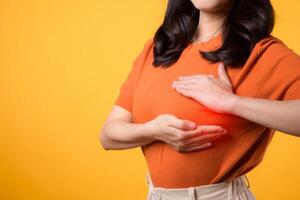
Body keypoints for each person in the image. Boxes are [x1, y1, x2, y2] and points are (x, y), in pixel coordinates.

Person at [100, 0, 300, 199]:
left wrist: (230, 103)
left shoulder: (261, 52)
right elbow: (109, 136)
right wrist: (155, 131)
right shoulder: (157, 49)